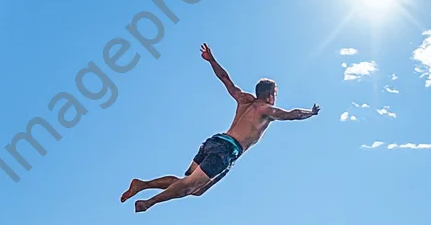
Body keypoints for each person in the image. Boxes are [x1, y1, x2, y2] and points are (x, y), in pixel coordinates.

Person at [120, 43, 320, 212]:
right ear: (270, 95)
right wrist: (309, 113)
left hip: (214, 141)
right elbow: (290, 115)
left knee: (194, 187)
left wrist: (211, 60)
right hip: (227, 150)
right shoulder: (265, 109)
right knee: (189, 187)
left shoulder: (243, 100)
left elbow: (226, 79)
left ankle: (143, 185)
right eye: (275, 93)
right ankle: (149, 202)